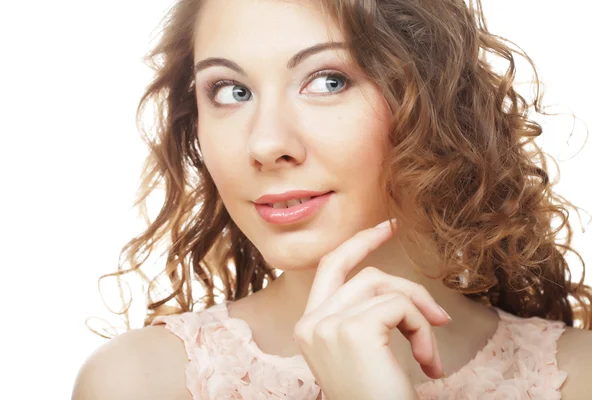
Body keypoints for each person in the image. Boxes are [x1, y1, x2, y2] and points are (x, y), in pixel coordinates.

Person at [72, 0, 592, 398]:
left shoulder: (576, 377)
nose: (267, 143)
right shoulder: (142, 382)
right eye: (231, 91)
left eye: (328, 80)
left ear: (431, 103)